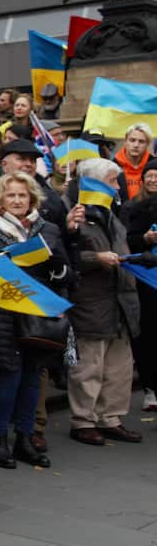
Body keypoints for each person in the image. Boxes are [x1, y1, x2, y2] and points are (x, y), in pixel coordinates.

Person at [0, 172, 71, 469]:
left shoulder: (48, 230)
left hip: (36, 317)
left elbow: (67, 274)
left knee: (31, 378)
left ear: (32, 199)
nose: (17, 200)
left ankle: (25, 439)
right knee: (6, 379)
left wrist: (57, 266)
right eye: (10, 195)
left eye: (22, 195)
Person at [65, 158, 145, 447]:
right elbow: (68, 257)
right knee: (90, 366)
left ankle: (110, 418)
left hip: (121, 301)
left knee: (118, 368)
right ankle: (83, 421)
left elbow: (122, 246)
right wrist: (94, 259)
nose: (117, 186)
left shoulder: (111, 212)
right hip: (92, 302)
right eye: (112, 180)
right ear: (94, 183)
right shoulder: (74, 213)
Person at [121, 159, 157, 412]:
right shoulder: (135, 208)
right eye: (150, 175)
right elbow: (127, 243)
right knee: (148, 336)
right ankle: (150, 388)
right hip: (147, 282)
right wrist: (145, 238)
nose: (153, 180)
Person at [115, 123, 153, 202]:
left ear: (147, 144)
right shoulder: (113, 166)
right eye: (132, 140)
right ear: (125, 141)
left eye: (141, 141)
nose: (136, 145)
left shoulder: (154, 166)